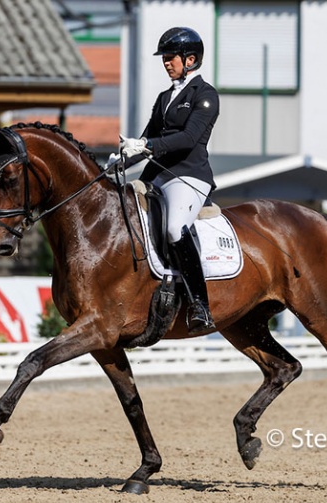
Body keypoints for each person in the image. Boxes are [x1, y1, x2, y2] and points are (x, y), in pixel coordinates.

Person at [119, 26, 219, 334]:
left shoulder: (205, 95)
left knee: (175, 227)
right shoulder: (164, 97)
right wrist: (121, 157)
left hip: (189, 176)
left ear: (190, 59)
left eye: (171, 56)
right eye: (164, 57)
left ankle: (200, 304)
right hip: (158, 175)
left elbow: (188, 138)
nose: (166, 62)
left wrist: (148, 146)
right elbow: (148, 137)